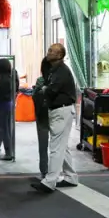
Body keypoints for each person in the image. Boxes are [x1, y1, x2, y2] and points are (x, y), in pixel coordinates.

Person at [31, 43, 78, 194]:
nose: (48, 52)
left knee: (56, 147)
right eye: (49, 49)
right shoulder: (55, 69)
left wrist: (44, 89)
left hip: (61, 110)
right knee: (62, 146)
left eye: (52, 51)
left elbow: (51, 90)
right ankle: (70, 177)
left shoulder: (61, 71)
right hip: (60, 110)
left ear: (59, 55)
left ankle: (49, 182)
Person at [32, 58, 52, 178]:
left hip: (43, 115)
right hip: (57, 114)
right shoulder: (59, 80)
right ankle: (55, 171)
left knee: (43, 145)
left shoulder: (40, 81)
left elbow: (35, 97)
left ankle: (44, 170)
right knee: (58, 146)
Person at [0, 58, 15, 161]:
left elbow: (0, 94)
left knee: (4, 129)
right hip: (7, 105)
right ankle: (9, 151)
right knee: (6, 129)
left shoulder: (4, 80)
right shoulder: (9, 77)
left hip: (3, 105)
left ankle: (8, 153)